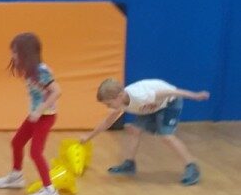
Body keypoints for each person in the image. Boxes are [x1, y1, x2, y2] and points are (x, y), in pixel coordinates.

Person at [80, 78, 209, 185]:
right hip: (150, 107)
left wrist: (195, 95)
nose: (108, 107)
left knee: (166, 136)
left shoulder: (141, 96)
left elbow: (172, 92)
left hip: (170, 102)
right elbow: (107, 123)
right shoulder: (121, 103)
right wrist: (88, 137)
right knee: (134, 130)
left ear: (119, 96)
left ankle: (192, 166)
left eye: (109, 104)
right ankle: (129, 164)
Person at [0, 32, 61, 195]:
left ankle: (50, 190)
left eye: (15, 52)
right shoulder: (30, 71)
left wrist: (39, 110)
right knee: (17, 142)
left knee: (35, 152)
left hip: (45, 117)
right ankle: (16, 176)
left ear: (26, 53)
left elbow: (56, 91)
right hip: (36, 116)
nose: (13, 56)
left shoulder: (42, 71)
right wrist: (35, 112)